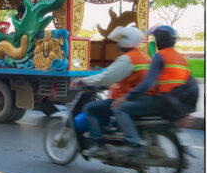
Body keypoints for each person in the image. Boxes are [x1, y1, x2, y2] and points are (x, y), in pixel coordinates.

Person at [110, 25, 191, 155]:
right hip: (177, 104)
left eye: (155, 37)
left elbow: (147, 84)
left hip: (162, 102)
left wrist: (127, 97)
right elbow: (191, 86)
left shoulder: (160, 57)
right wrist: (187, 110)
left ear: (159, 40)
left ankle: (134, 145)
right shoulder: (181, 58)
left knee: (120, 108)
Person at [74, 26, 151, 157]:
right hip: (139, 99)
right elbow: (119, 78)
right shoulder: (144, 58)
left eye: (121, 40)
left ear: (127, 41)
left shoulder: (127, 59)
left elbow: (107, 77)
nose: (118, 43)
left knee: (89, 108)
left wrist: (85, 81)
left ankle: (98, 144)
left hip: (124, 100)